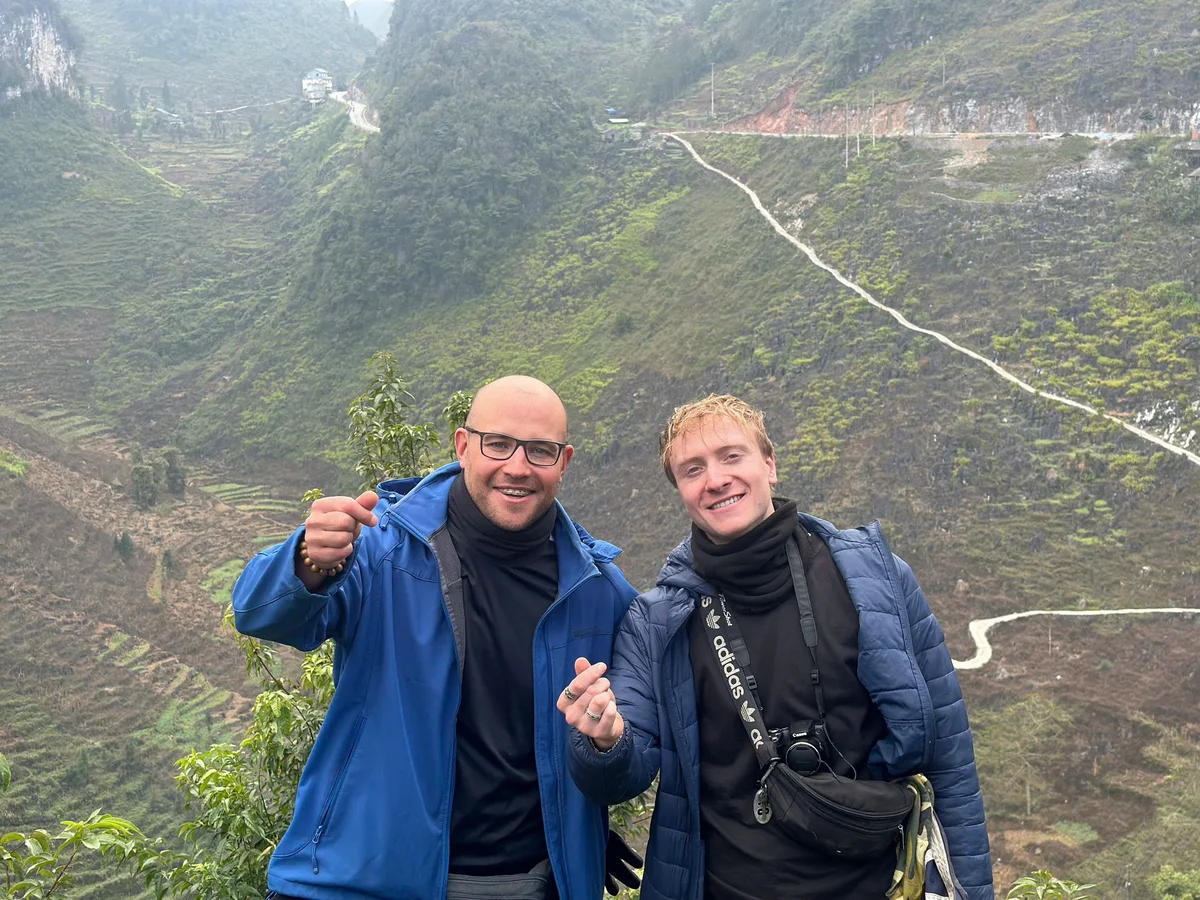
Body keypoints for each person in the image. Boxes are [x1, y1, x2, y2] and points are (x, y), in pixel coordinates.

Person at [559, 394, 993, 900]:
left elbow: (950, 759)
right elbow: (621, 775)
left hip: (879, 884)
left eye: (731, 456)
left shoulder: (876, 584)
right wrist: (603, 743)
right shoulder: (658, 621)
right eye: (692, 469)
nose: (716, 479)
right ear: (680, 490)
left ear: (770, 464)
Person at [233, 376, 642, 900]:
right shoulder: (382, 547)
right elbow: (258, 613)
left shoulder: (598, 590)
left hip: (523, 885)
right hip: (365, 880)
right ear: (463, 445)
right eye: (498, 444)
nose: (517, 467)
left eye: (540, 451)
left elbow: (631, 750)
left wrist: (581, 822)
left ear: (563, 461)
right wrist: (309, 559)